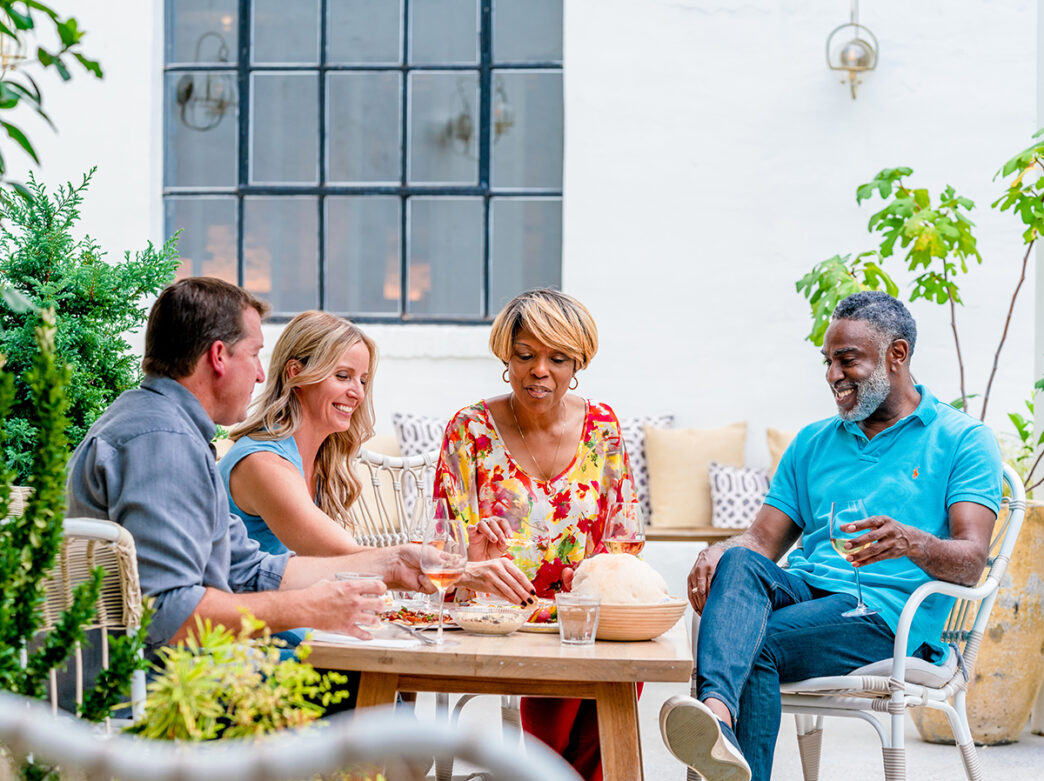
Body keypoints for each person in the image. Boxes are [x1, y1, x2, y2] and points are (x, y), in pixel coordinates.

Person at [659, 291, 1002, 781]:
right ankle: (717, 717)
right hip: (807, 593)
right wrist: (717, 552)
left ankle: (718, 724)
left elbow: (971, 562)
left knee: (753, 643)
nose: (833, 375)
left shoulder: (962, 439)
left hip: (887, 614)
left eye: (847, 360)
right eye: (828, 362)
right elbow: (760, 543)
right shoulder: (814, 442)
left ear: (896, 355)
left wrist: (913, 542)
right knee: (736, 564)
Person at [66, 278, 434, 657]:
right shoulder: (162, 442)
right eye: (255, 354)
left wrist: (391, 564)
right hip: (151, 695)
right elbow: (169, 614)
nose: (261, 374)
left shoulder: (173, 433)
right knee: (369, 692)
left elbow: (249, 571)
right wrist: (309, 608)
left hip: (188, 674)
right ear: (219, 356)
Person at [218, 309, 535, 631]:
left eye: (363, 380)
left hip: (294, 632)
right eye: (342, 376)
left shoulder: (318, 460)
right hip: (250, 646)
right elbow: (342, 556)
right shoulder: (264, 463)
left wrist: (465, 552)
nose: (357, 392)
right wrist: (462, 570)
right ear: (295, 374)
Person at [435, 288, 638, 781]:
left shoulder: (603, 427)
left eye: (558, 358)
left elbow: (624, 539)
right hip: (498, 617)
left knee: (618, 676)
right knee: (574, 693)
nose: (539, 371)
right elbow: (443, 548)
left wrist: (587, 593)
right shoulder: (469, 429)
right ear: (507, 358)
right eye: (525, 356)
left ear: (578, 364)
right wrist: (473, 557)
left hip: (585, 616)